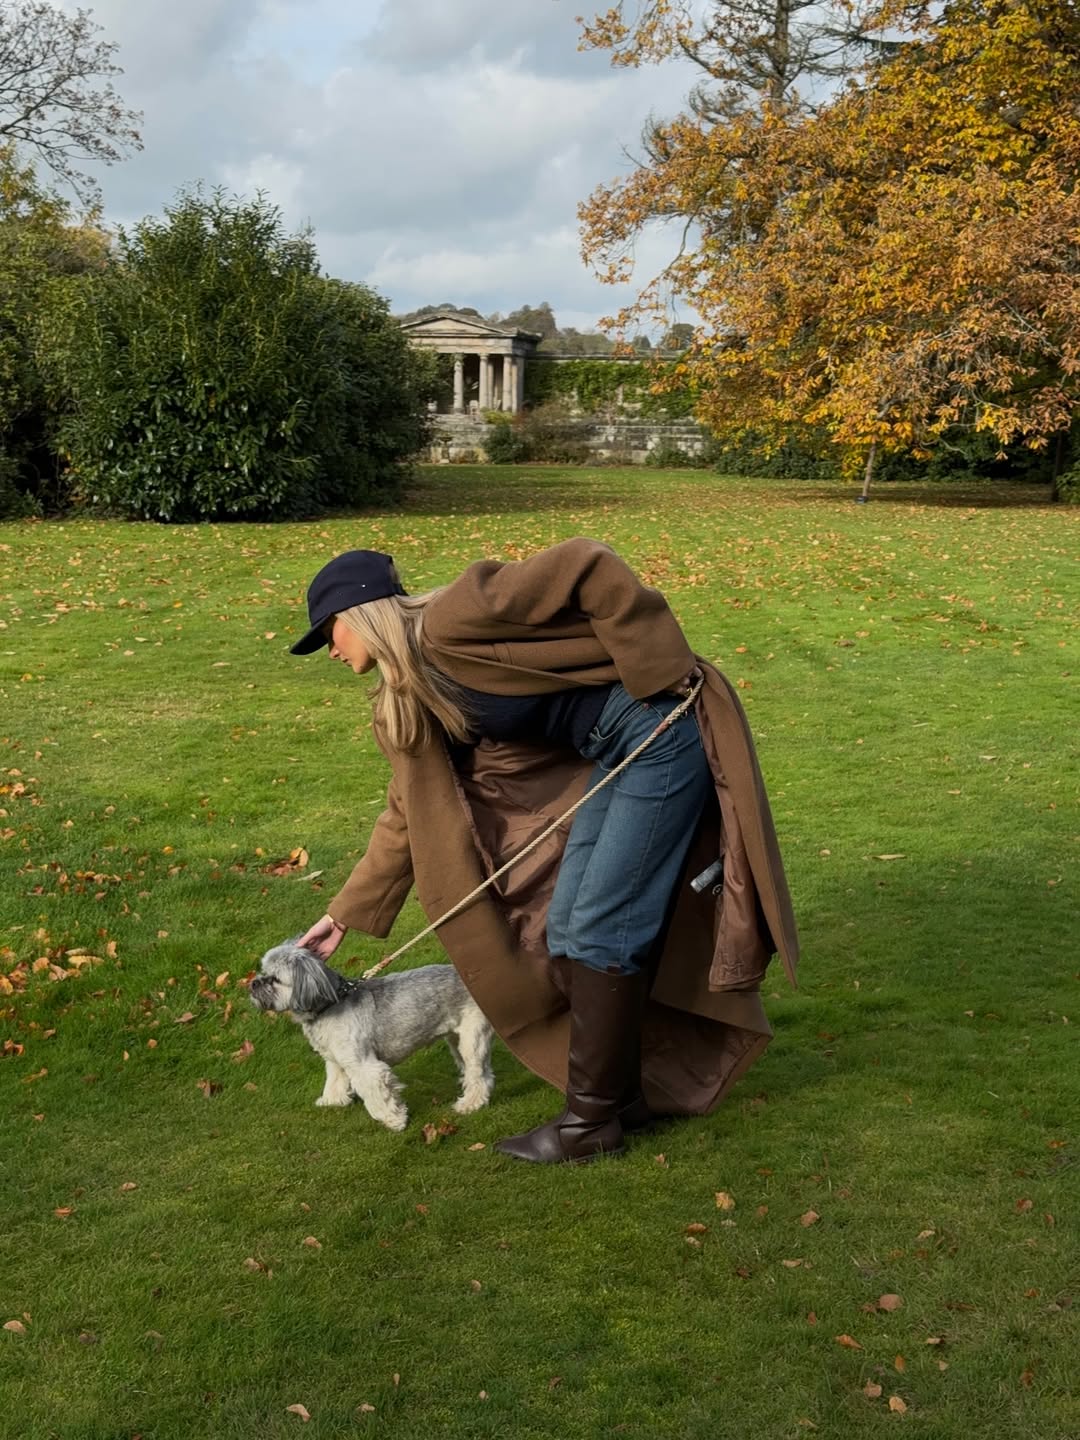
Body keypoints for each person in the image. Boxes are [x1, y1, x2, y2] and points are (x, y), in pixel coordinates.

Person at [290, 539, 799, 1164]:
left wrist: (656, 668)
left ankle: (590, 1124)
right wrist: (343, 915)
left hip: (660, 732)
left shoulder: (457, 617)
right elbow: (406, 812)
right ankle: (622, 1097)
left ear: (362, 611)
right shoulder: (413, 695)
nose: (330, 649)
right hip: (613, 756)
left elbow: (588, 563)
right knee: (567, 927)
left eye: (329, 631)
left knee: (600, 927)